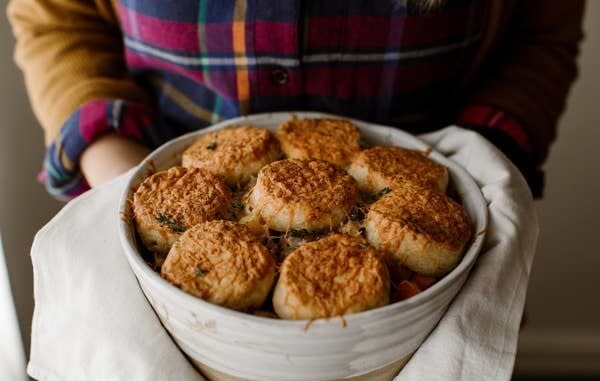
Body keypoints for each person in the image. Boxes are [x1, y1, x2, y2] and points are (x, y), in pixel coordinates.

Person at [7, 0, 585, 200]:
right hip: (156, 251)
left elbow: (539, 35)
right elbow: (61, 22)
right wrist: (124, 190)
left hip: (440, 269)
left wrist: (484, 173)